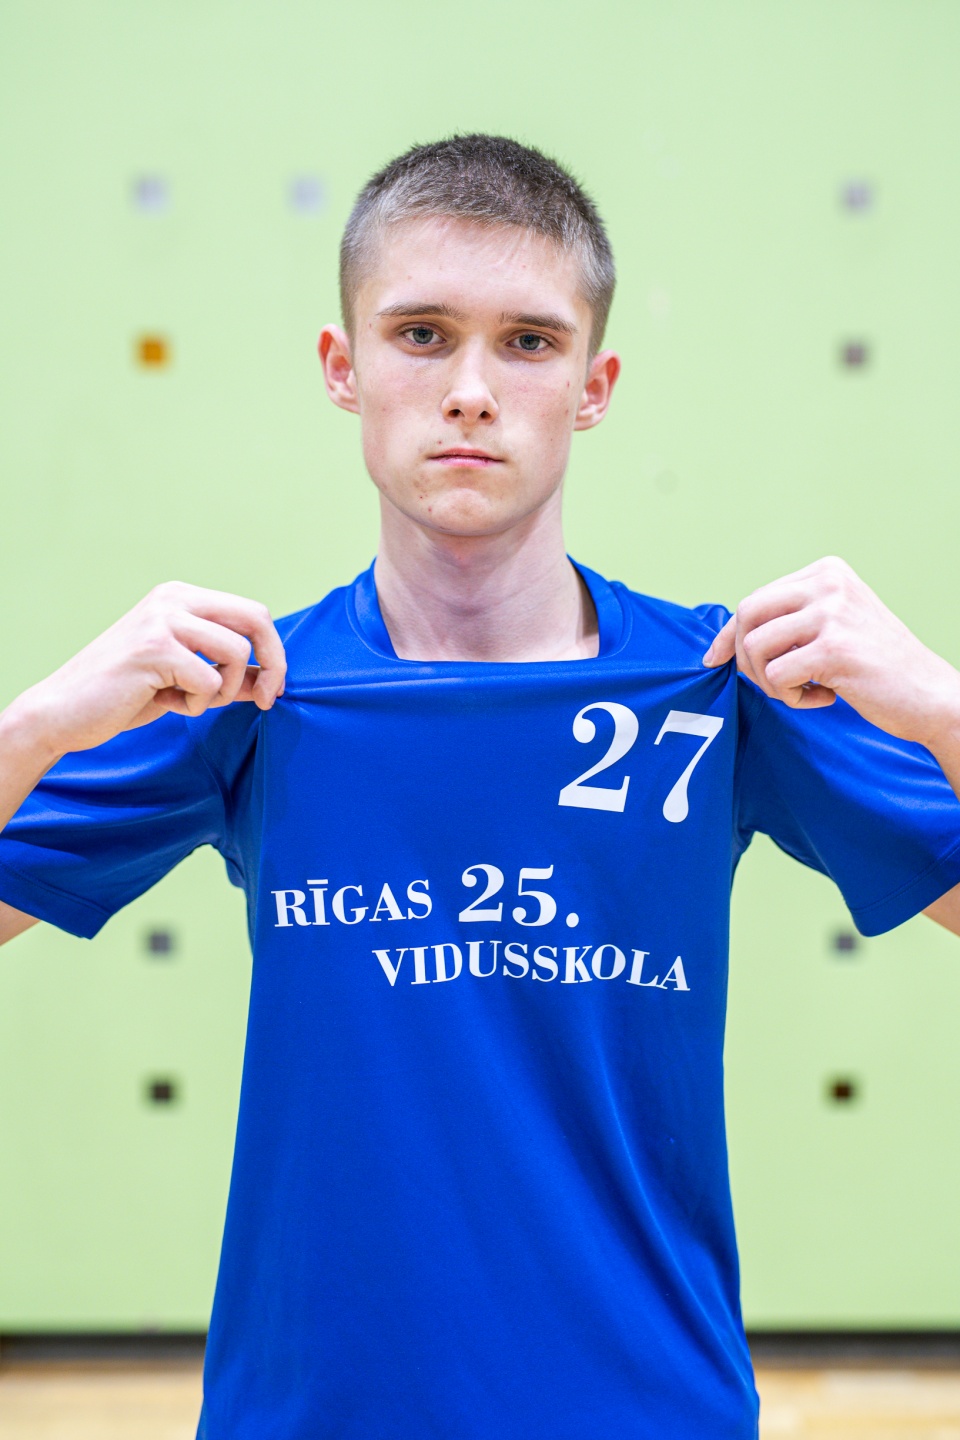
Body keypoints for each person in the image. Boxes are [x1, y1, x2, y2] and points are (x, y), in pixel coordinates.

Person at [1, 134, 960, 1440]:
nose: (469, 391)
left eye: (527, 342)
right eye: (421, 334)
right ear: (342, 367)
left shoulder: (716, 686)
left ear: (594, 384)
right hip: (311, 1413)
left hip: (645, 1409)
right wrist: (33, 725)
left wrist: (943, 706)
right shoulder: (253, 692)